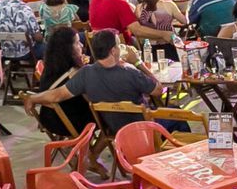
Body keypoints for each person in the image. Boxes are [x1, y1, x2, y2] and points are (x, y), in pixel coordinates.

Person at [25, 29, 158, 135]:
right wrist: (135, 64)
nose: (82, 45)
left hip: (49, 119)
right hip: (69, 122)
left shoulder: (56, 67)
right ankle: (93, 155)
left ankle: (93, 154)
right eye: (77, 43)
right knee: (106, 111)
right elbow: (158, 90)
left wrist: (33, 97)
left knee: (105, 109)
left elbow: (57, 94)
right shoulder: (77, 73)